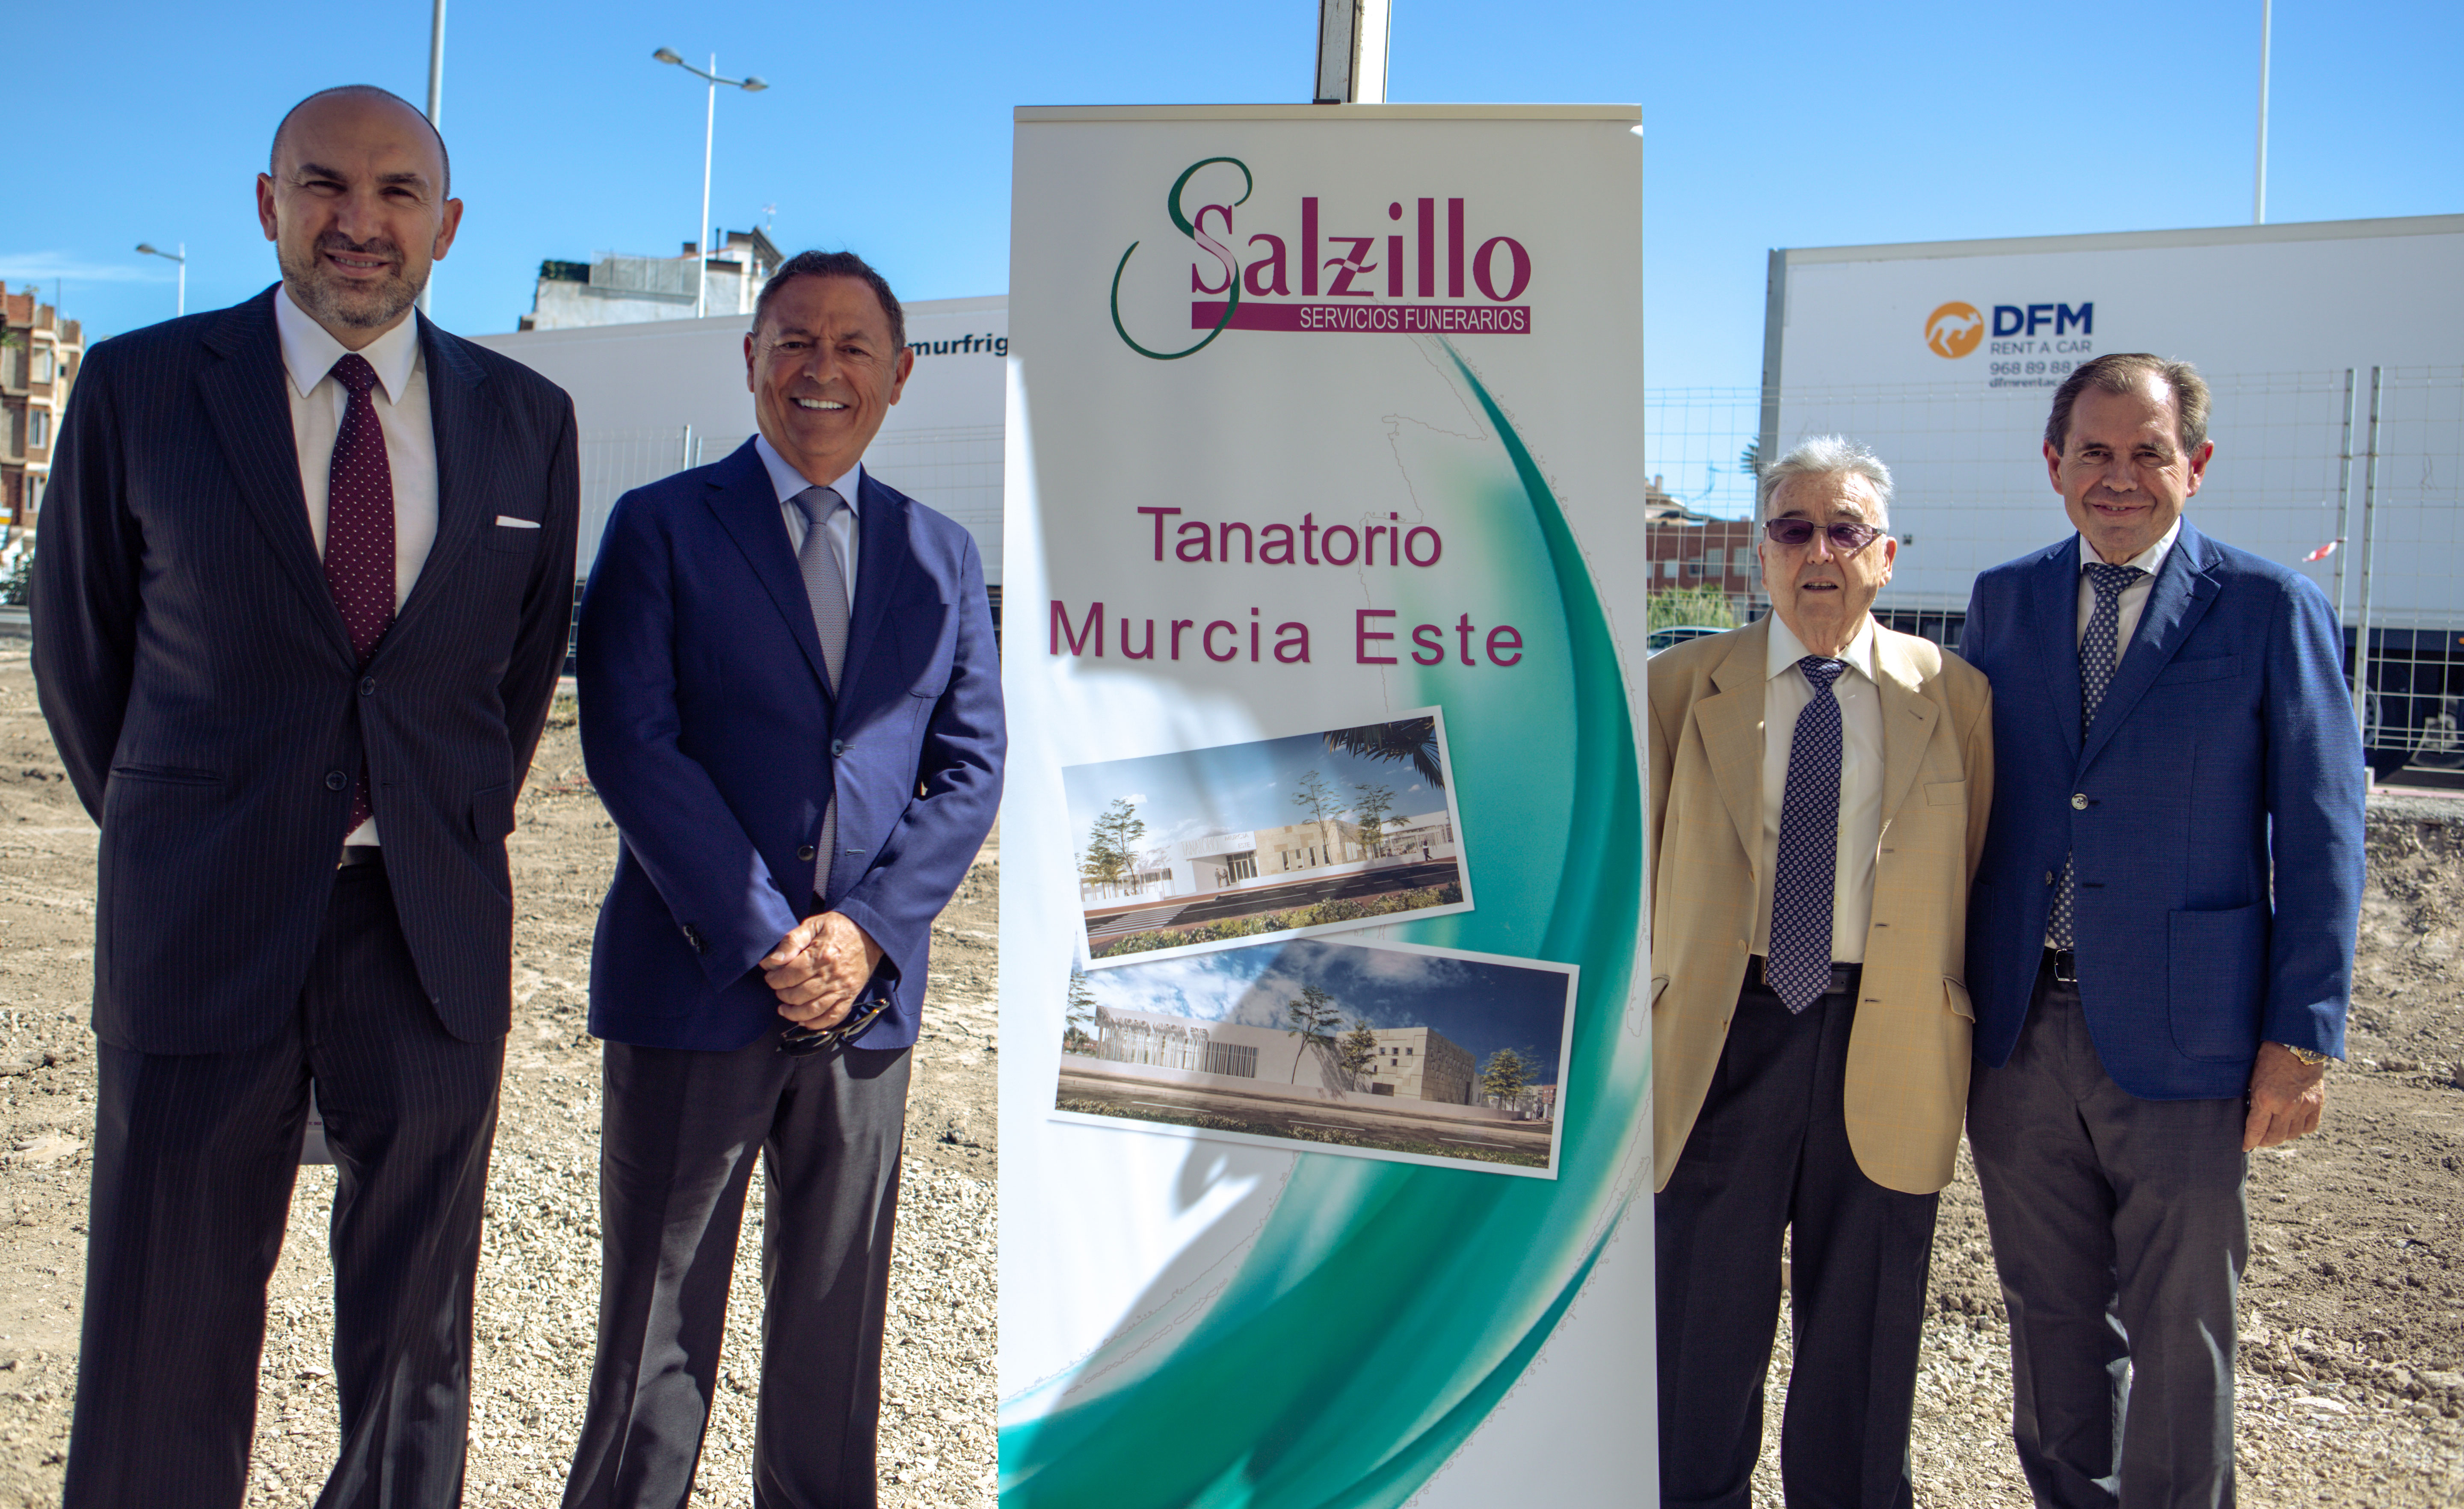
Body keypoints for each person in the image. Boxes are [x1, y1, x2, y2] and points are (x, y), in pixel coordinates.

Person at [33, 85, 579, 1506]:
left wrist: (425, 815)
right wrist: (193, 825)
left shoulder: (529, 420)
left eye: (399, 192)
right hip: (201, 918)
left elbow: (510, 680)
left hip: (426, 929)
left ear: (447, 226)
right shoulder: (141, 391)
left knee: (416, 1340)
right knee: (164, 1318)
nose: (360, 219)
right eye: (325, 183)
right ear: (268, 203)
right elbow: (86, 659)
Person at [562, 249, 1004, 1509]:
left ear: (900, 375)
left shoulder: (942, 554)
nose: (823, 369)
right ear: (750, 359)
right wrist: (769, 935)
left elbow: (970, 769)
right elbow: (632, 745)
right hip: (693, 986)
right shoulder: (659, 527)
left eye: (854, 346)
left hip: (865, 1009)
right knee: (654, 1334)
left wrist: (862, 936)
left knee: (834, 1336)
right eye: (795, 340)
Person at [1959, 352, 2364, 1508]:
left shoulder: (2269, 608)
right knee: (2049, 1316)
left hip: (2193, 1038)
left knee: (2184, 1326)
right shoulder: (2004, 600)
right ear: (2054, 464)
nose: (2120, 476)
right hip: (2020, 1029)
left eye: (2149, 452)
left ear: (2198, 465)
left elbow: (2324, 833)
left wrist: (2303, 1035)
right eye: (2095, 451)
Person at [1650, 436, 1993, 1509]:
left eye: (1846, 531)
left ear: (1886, 556)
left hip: (1887, 1038)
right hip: (1724, 1037)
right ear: (1761, 553)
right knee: (1699, 1337)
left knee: (1867, 1340)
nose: (1819, 553)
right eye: (1794, 529)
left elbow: (1975, 858)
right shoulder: (1677, 687)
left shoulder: (1955, 695)